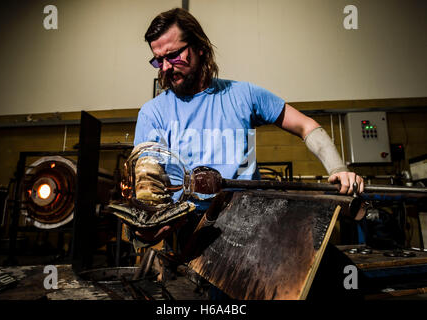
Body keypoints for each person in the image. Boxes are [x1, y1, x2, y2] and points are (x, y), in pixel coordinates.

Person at [132, 8, 364, 247]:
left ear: (199, 47)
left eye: (173, 56)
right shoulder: (153, 113)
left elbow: (307, 126)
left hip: (248, 226)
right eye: (159, 60)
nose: (166, 67)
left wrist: (338, 168)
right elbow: (146, 180)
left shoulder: (243, 95)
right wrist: (146, 222)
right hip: (187, 232)